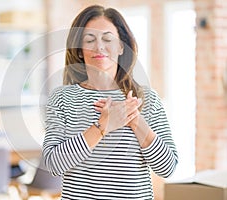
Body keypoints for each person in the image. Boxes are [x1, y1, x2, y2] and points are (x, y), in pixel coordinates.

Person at [43, 5, 178, 200]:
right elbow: (53, 165)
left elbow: (168, 167)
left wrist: (135, 120)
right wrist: (102, 127)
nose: (99, 47)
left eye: (107, 39)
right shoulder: (62, 98)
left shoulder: (146, 98)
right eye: (89, 40)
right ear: (79, 50)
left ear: (121, 46)